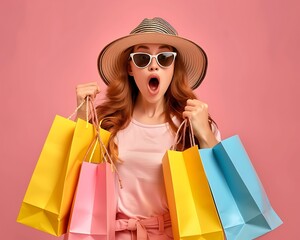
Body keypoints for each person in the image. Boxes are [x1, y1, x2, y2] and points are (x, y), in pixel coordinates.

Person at [76, 17, 220, 240]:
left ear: (174, 67)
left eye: (164, 58)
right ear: (130, 68)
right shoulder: (106, 125)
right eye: (143, 58)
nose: (154, 65)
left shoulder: (192, 125)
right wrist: (82, 122)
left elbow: (220, 193)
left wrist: (206, 135)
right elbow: (77, 193)